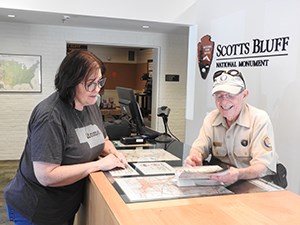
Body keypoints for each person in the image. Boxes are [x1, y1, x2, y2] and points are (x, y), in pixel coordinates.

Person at [4, 50, 127, 225]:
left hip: (65, 204)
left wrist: (114, 154)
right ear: (71, 82)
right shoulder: (50, 116)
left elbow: (103, 140)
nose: (98, 89)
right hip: (38, 208)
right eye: (90, 83)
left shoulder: (90, 104)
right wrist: (99, 164)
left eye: (99, 82)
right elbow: (46, 176)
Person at [185, 69, 278, 185]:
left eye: (230, 95)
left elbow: (262, 166)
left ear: (244, 95)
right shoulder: (211, 118)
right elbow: (199, 147)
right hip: (222, 181)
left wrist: (239, 174)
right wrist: (194, 157)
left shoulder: (259, 119)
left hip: (253, 182)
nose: (224, 102)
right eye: (219, 96)